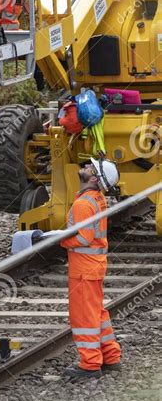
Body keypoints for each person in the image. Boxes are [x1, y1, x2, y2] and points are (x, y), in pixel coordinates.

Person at [61, 157, 122, 380]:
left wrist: (59, 240)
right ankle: (111, 356)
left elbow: (84, 238)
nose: (85, 167)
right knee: (97, 314)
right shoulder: (98, 200)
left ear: (94, 178)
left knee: (84, 317)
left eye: (89, 168)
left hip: (83, 270)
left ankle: (90, 364)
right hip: (94, 267)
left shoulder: (83, 203)